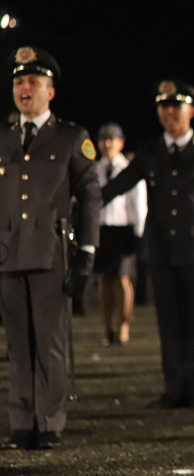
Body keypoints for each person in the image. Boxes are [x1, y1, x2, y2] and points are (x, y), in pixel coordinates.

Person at [102, 79, 194, 408]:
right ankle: (174, 387)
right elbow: (117, 186)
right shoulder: (150, 151)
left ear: (191, 110)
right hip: (160, 249)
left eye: (176, 106)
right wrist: (80, 199)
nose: (169, 113)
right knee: (169, 323)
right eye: (164, 107)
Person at [0, 46, 101, 450]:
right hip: (8, 256)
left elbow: (90, 195)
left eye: (34, 82)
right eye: (20, 82)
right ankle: (22, 420)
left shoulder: (71, 137)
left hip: (50, 255)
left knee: (49, 344)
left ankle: (50, 421)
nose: (26, 88)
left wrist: (88, 252)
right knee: (17, 346)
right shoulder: (4, 137)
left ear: (50, 92)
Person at [95, 122, 146, 346]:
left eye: (112, 140)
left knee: (123, 280)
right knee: (104, 280)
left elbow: (139, 203)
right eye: (104, 140)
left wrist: (139, 232)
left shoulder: (129, 168)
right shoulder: (93, 169)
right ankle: (107, 329)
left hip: (124, 229)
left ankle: (123, 325)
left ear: (121, 143)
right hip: (102, 228)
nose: (107, 144)